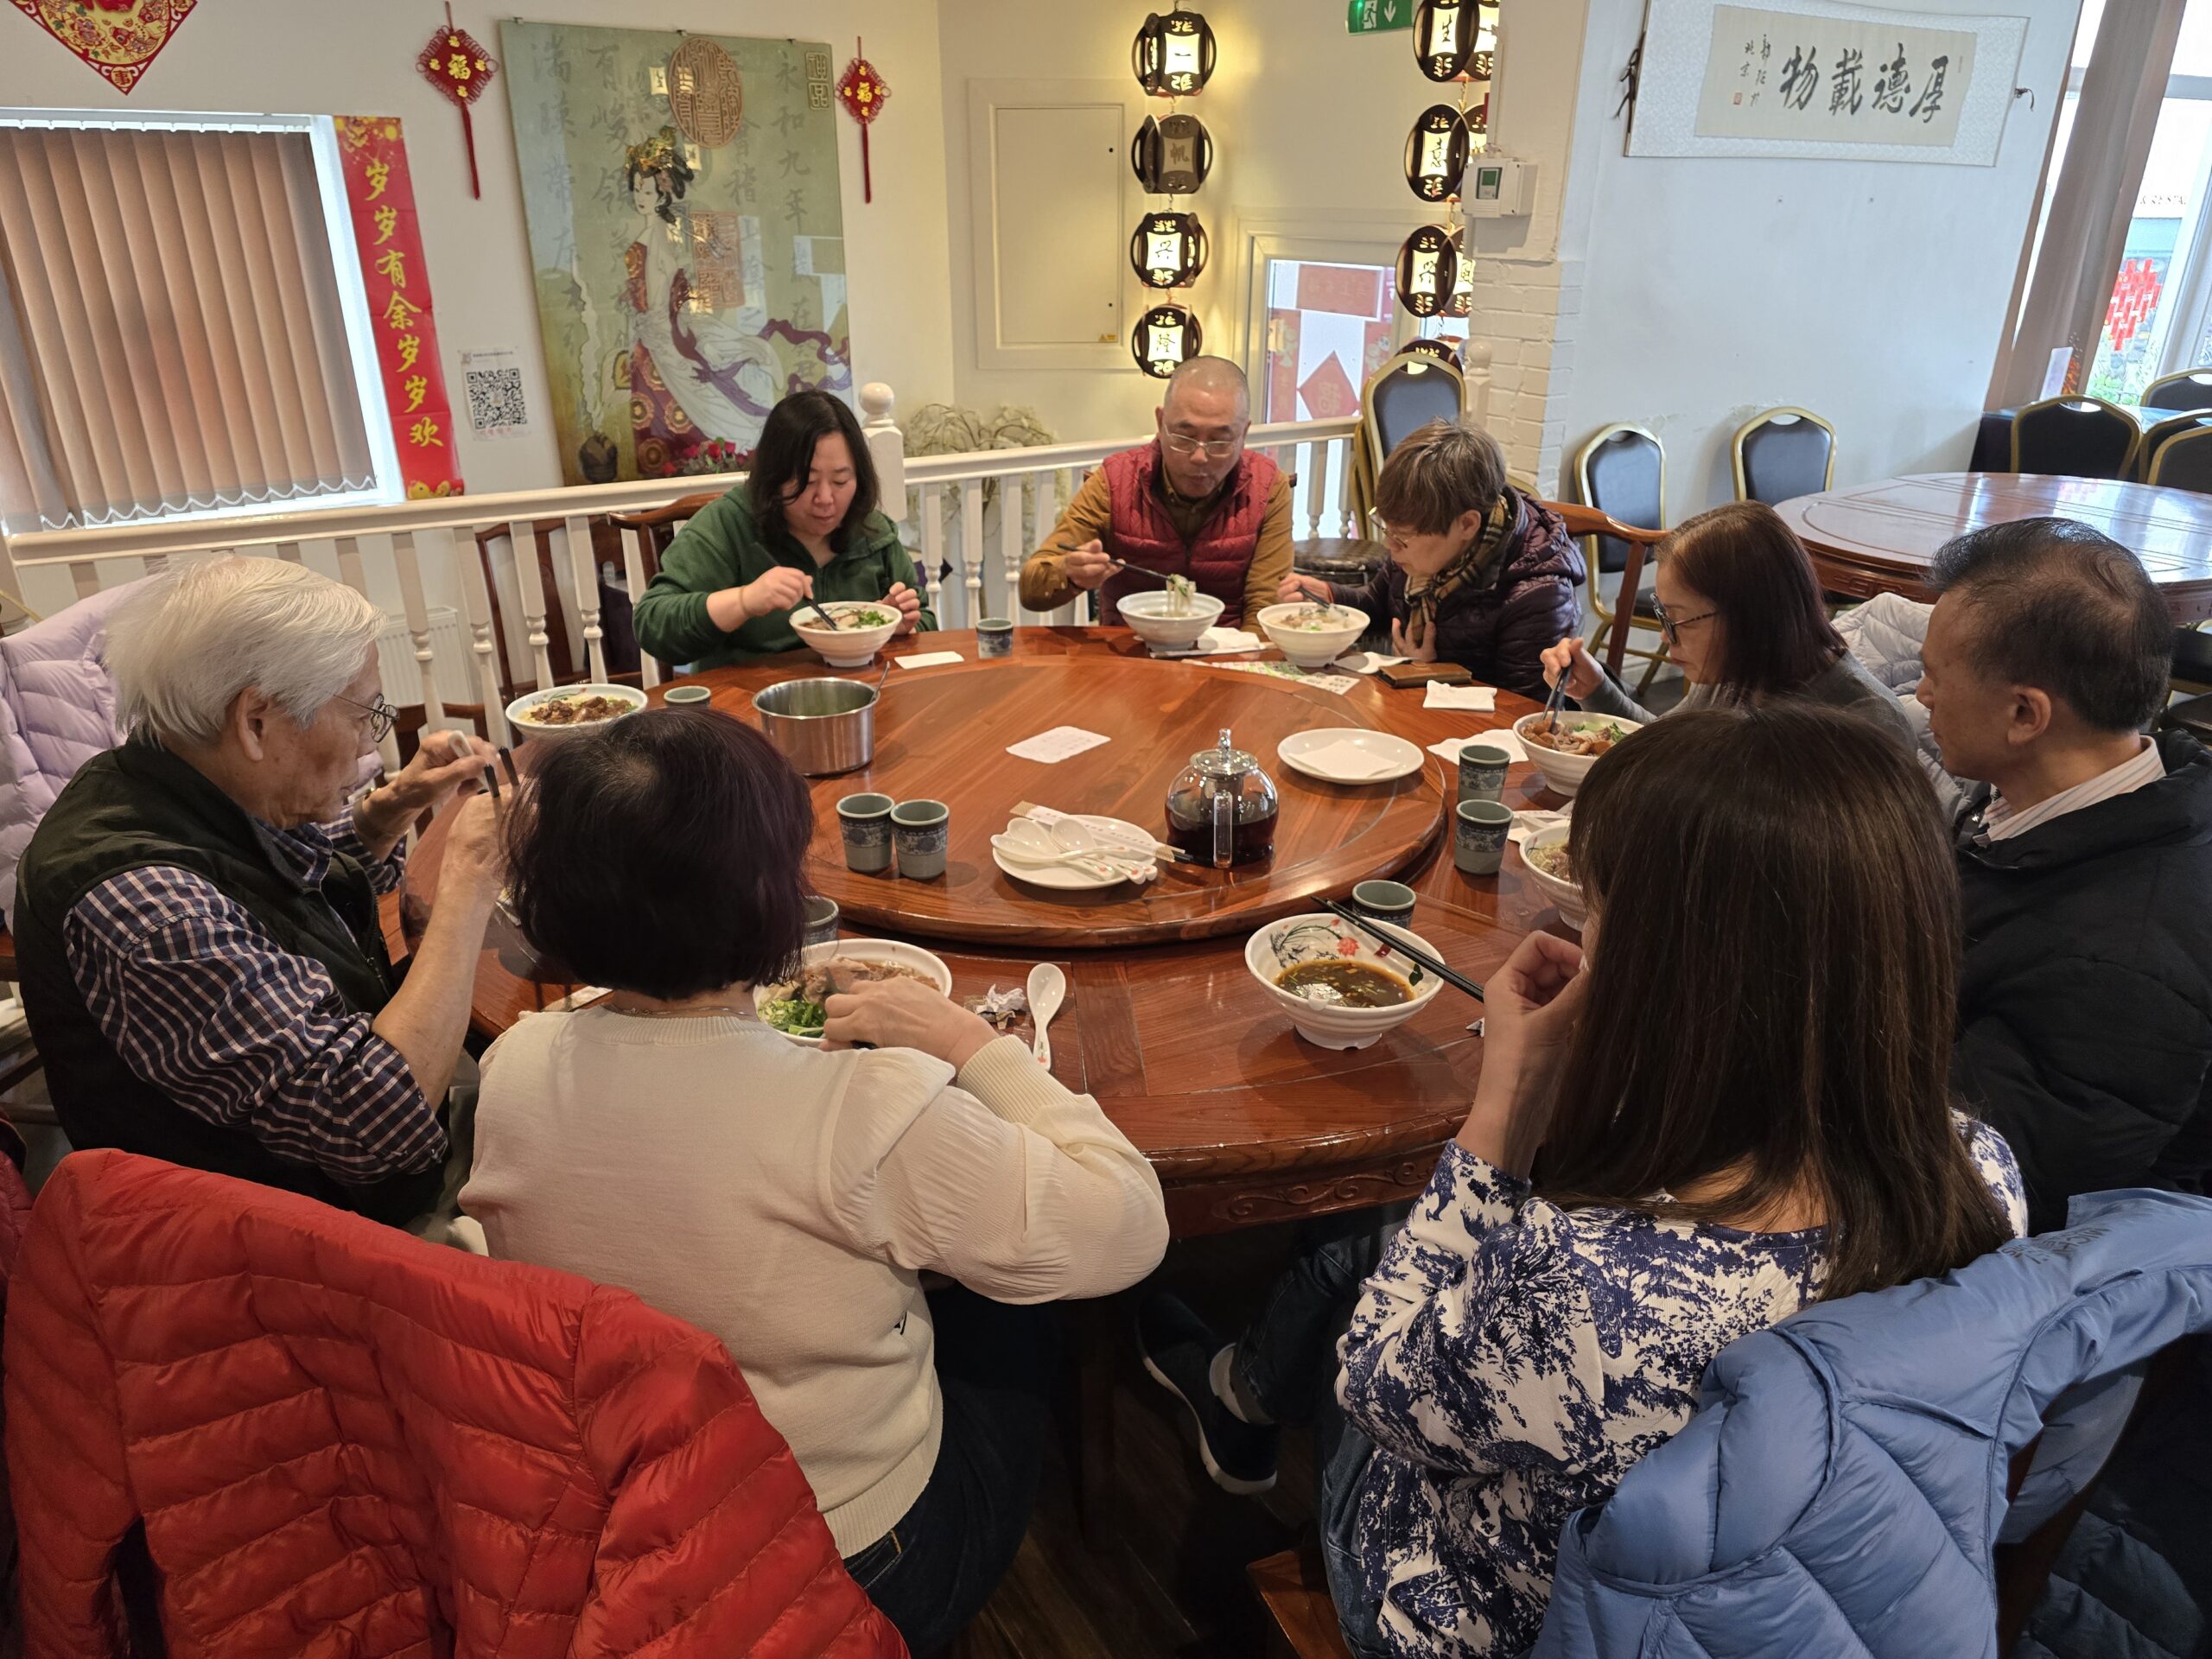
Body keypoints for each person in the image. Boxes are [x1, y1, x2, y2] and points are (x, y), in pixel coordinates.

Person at [1146, 706, 2024, 1659]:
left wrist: (1507, 1103)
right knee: (1381, 1255)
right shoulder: (1979, 1169)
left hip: (1490, 1619)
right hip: (1794, 1599)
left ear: (1680, 968)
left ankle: (1238, 1397)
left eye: (1597, 906)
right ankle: (1241, 1389)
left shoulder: (1582, 1285)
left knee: (1369, 1268)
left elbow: (1371, 1384)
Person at [459, 707, 1169, 1656]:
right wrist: (969, 1042)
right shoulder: (867, 1109)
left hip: (626, 1526)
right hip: (851, 1562)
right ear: (771, 898)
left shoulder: (514, 1064)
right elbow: (1128, 1226)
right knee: (1017, 1310)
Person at [12, 558, 505, 1225]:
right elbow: (380, 1126)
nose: (371, 745)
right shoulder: (148, 908)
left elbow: (266, 894)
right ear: (255, 721)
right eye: (364, 714)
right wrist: (471, 878)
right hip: (290, 1241)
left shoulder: (166, 774)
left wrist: (385, 815)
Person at [1916, 518, 2212, 1234]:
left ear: (2025, 714)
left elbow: (1970, 1192)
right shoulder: (2060, 799)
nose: (1921, 695)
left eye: (1935, 675)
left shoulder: (2117, 972)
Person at [1539, 500, 1913, 750]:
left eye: (1677, 619)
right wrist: (1597, 690)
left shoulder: (1866, 724)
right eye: (1664, 616)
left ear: (1749, 616)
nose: (1665, 636)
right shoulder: (1737, 672)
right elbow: (1665, 742)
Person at [1278, 418, 1582, 700]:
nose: (1389, 545)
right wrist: (1330, 597)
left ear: (1466, 525)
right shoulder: (1421, 551)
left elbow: (1522, 711)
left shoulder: (1538, 593)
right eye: (1387, 529)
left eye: (1402, 536)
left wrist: (1432, 675)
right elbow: (1379, 606)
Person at [632, 389, 934, 670]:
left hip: (862, 692)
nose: (826, 498)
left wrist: (893, 625)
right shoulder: (728, 524)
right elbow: (653, 624)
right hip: (748, 699)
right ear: (774, 477)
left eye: (841, 481)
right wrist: (743, 601)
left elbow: (925, 620)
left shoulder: (872, 531)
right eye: (808, 482)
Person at [1020, 356, 1292, 627]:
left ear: (1244, 434)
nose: (1199, 456)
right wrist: (1069, 573)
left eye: (1220, 441)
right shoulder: (1114, 482)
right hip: (1128, 645)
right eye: (1184, 437)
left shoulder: (1267, 487)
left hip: (1229, 645)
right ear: (1161, 423)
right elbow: (1030, 590)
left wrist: (1242, 653)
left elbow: (1265, 606)